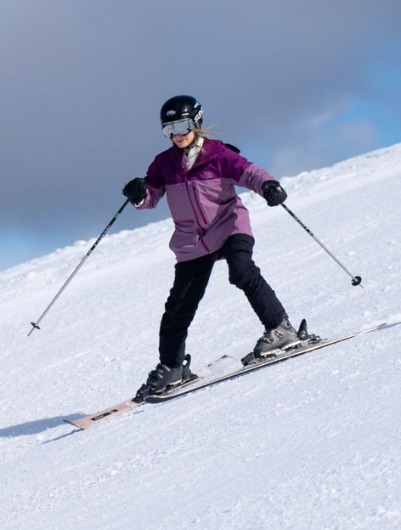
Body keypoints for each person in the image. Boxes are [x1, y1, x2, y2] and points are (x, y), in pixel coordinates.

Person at [122, 95, 307, 399]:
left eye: (181, 125)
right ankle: (172, 367)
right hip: (192, 240)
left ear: (196, 121)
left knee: (242, 271)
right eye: (168, 129)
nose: (176, 135)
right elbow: (150, 197)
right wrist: (138, 194)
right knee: (179, 306)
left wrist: (268, 185)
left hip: (228, 224)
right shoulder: (163, 164)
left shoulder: (218, 154)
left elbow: (248, 172)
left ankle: (280, 329)